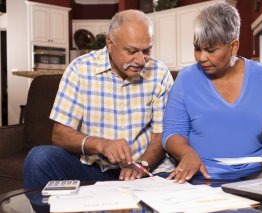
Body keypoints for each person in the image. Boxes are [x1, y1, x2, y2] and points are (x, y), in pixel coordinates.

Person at [24, 9, 175, 190]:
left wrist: (143, 165)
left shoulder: (159, 74)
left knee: (174, 183)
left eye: (147, 50)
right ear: (110, 44)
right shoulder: (79, 70)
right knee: (39, 159)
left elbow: (160, 135)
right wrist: (100, 145)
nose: (141, 60)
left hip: (144, 169)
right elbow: (59, 134)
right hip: (92, 169)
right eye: (132, 51)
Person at [162, 2, 262, 184]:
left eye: (210, 50)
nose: (201, 57)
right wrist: (188, 154)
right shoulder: (186, 79)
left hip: (258, 171)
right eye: (197, 48)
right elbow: (172, 134)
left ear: (233, 46)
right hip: (204, 173)